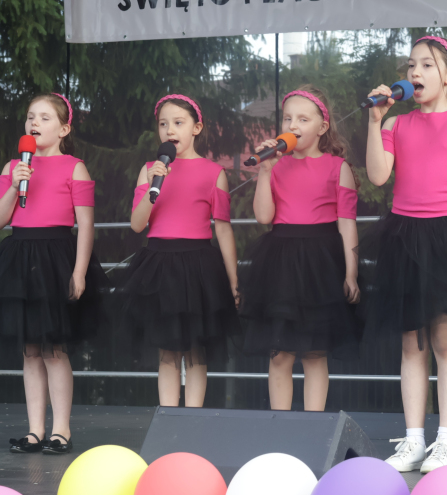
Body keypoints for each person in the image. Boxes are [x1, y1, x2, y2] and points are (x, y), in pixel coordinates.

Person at [362, 36, 447, 473]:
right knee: (411, 342)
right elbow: (378, 176)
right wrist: (375, 121)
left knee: (445, 340)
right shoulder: (397, 125)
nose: (414, 72)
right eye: (410, 65)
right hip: (404, 237)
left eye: (426, 65)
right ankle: (414, 439)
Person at [239, 85, 360, 411]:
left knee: (314, 353)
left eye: (303, 119)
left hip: (321, 265)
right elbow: (264, 216)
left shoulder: (338, 167)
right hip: (281, 264)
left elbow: (347, 224)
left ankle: (313, 427)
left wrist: (351, 274)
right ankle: (280, 427)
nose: (293, 125)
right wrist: (265, 171)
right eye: (288, 118)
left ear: (322, 127)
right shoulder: (276, 166)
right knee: (280, 354)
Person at [0, 93, 108, 454]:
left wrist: (79, 272)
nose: (34, 123)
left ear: (64, 129)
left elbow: (86, 224)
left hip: (56, 258)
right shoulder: (13, 167)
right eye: (31, 116)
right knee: (30, 351)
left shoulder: (74, 167)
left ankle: (61, 429)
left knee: (53, 350)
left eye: (45, 118)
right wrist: (14, 184)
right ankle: (35, 430)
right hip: (20, 258)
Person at [123, 94, 240, 407]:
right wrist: (152, 186)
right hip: (159, 266)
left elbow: (223, 229)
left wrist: (233, 281)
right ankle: (168, 415)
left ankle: (193, 417)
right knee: (168, 350)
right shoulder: (149, 170)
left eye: (178, 122)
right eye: (163, 124)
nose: (169, 130)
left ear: (196, 127)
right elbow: (137, 224)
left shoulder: (213, 172)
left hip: (199, 267)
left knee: (196, 350)